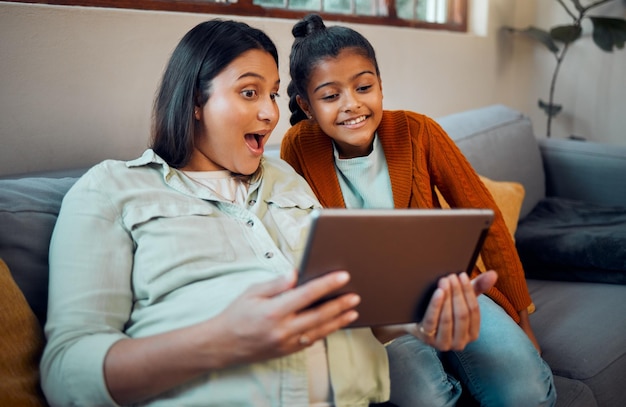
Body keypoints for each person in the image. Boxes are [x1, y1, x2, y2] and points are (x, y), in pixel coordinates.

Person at [40, 19, 496, 406]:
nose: (269, 113)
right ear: (195, 102)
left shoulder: (287, 180)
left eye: (274, 94)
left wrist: (418, 317)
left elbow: (352, 313)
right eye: (249, 92)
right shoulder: (112, 188)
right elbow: (65, 373)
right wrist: (220, 340)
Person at [281, 14, 556, 407]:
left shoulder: (418, 132)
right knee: (429, 398)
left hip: (447, 283)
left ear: (380, 84)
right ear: (306, 105)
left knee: (527, 392)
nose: (352, 104)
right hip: (373, 307)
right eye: (330, 96)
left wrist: (523, 319)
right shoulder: (298, 147)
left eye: (364, 86)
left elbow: (487, 221)